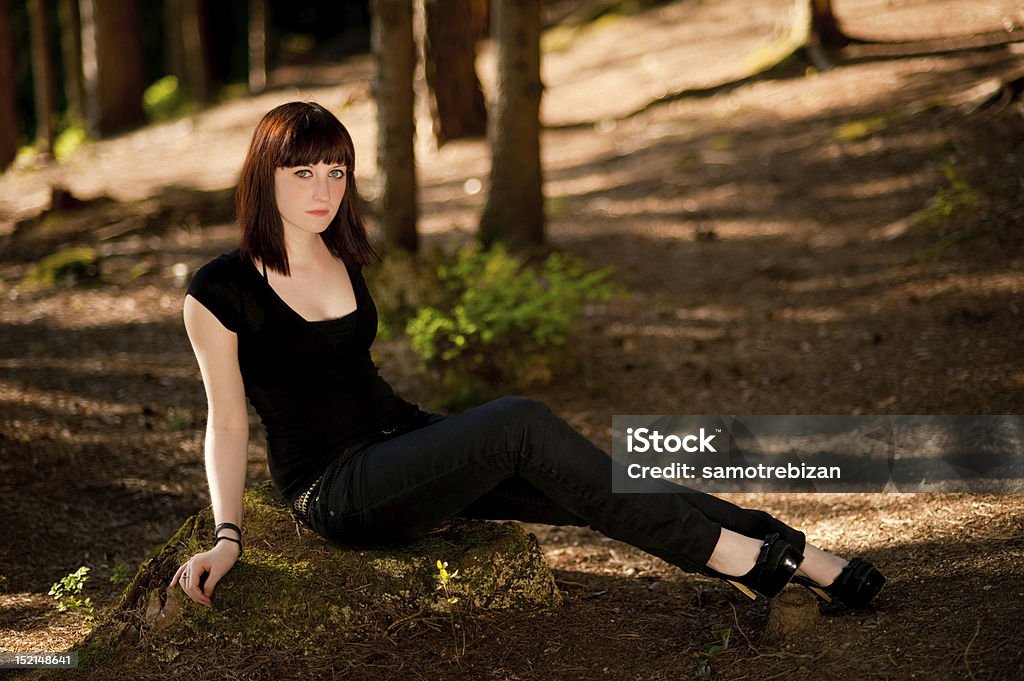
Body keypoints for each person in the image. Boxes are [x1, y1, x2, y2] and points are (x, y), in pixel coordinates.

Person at [169, 101, 884, 612]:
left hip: (401, 443)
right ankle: (734, 559)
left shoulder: (342, 258)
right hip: (337, 488)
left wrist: (435, 434)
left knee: (592, 478)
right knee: (520, 421)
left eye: (336, 171)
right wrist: (228, 536)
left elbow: (359, 380)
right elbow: (226, 422)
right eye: (303, 173)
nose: (323, 189)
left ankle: (788, 554)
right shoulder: (221, 289)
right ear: (265, 176)